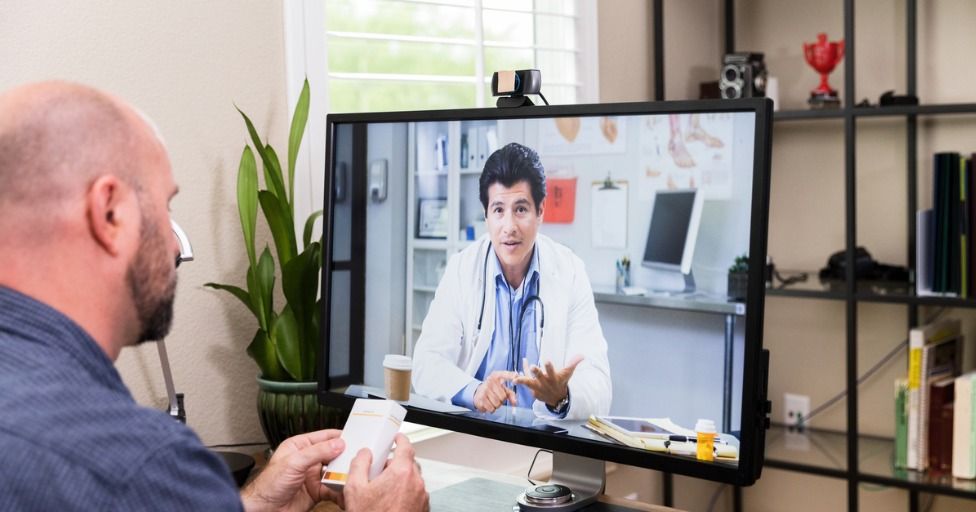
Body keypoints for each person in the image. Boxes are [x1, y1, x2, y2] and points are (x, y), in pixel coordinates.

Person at [0, 81, 428, 512]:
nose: (173, 244)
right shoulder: (137, 466)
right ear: (109, 212)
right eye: (164, 209)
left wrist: (256, 502)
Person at [412, 142, 611, 420]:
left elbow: (599, 382)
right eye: (498, 210)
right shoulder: (462, 270)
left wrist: (562, 396)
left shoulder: (570, 271)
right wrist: (475, 391)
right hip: (474, 435)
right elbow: (425, 364)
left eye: (520, 209)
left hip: (545, 442)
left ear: (540, 211)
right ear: (486, 215)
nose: (509, 227)